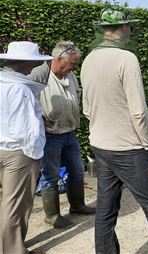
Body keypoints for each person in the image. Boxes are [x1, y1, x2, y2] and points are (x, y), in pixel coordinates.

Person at [81, 6, 148, 253]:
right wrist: (146, 143)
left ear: (103, 29)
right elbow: (138, 111)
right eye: (130, 26)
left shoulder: (89, 58)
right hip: (128, 147)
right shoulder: (127, 59)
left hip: (100, 144)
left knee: (106, 208)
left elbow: (86, 108)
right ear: (124, 27)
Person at [28, 41, 95, 229]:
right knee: (50, 175)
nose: (74, 67)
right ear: (58, 59)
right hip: (51, 135)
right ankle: (52, 215)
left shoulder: (70, 74)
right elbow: (27, 99)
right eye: (72, 63)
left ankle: (77, 206)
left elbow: (78, 93)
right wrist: (40, 118)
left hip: (70, 132)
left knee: (77, 170)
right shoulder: (39, 74)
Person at [0, 41, 52, 254]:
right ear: (26, 63)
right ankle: (13, 251)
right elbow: (26, 129)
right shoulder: (20, 89)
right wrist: (34, 153)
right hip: (18, 153)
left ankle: (8, 246)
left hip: (3, 148)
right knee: (15, 206)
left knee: (5, 202)